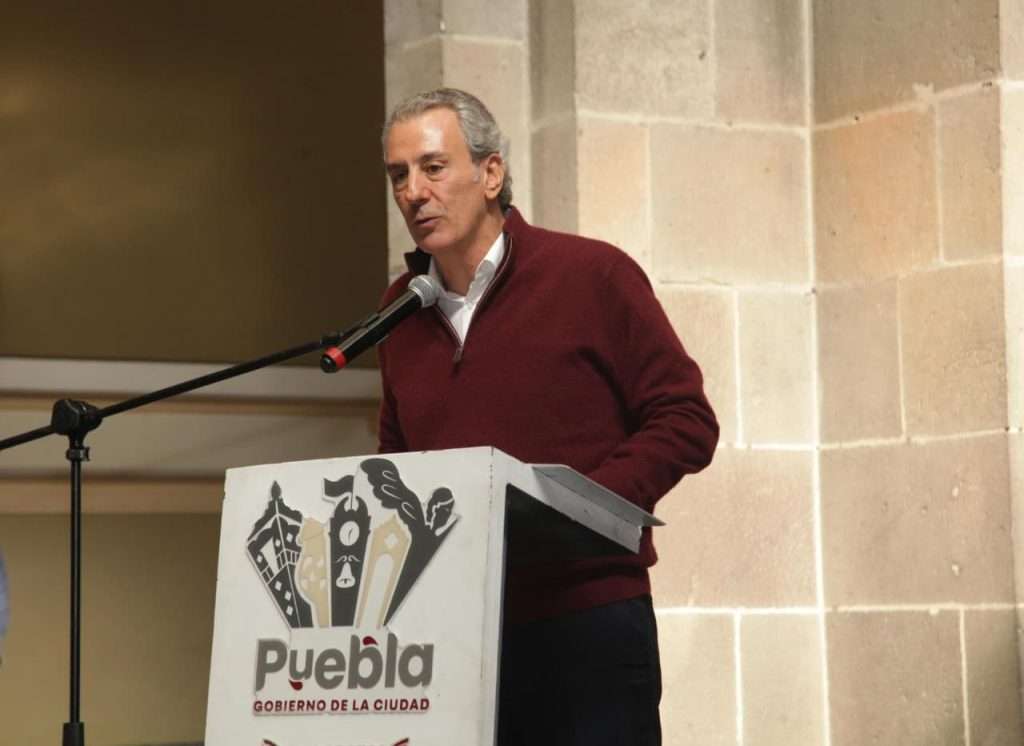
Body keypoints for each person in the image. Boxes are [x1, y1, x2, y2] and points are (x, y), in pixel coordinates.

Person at [377, 88, 719, 746]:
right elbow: (396, 463)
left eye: (433, 167)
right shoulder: (399, 311)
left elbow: (685, 418)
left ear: (491, 174)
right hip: (457, 633)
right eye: (399, 175)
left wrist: (580, 509)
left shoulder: (591, 275)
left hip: (587, 622)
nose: (413, 192)